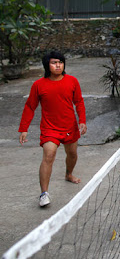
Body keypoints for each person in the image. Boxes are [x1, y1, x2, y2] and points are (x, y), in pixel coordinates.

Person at [19, 51, 87, 207]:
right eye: (54, 62)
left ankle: (68, 174)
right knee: (49, 155)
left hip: (70, 126)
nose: (58, 65)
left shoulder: (72, 81)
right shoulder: (38, 85)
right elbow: (30, 107)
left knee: (72, 154)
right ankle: (44, 194)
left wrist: (82, 121)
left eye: (61, 62)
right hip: (50, 128)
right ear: (47, 65)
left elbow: (79, 102)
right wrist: (24, 128)